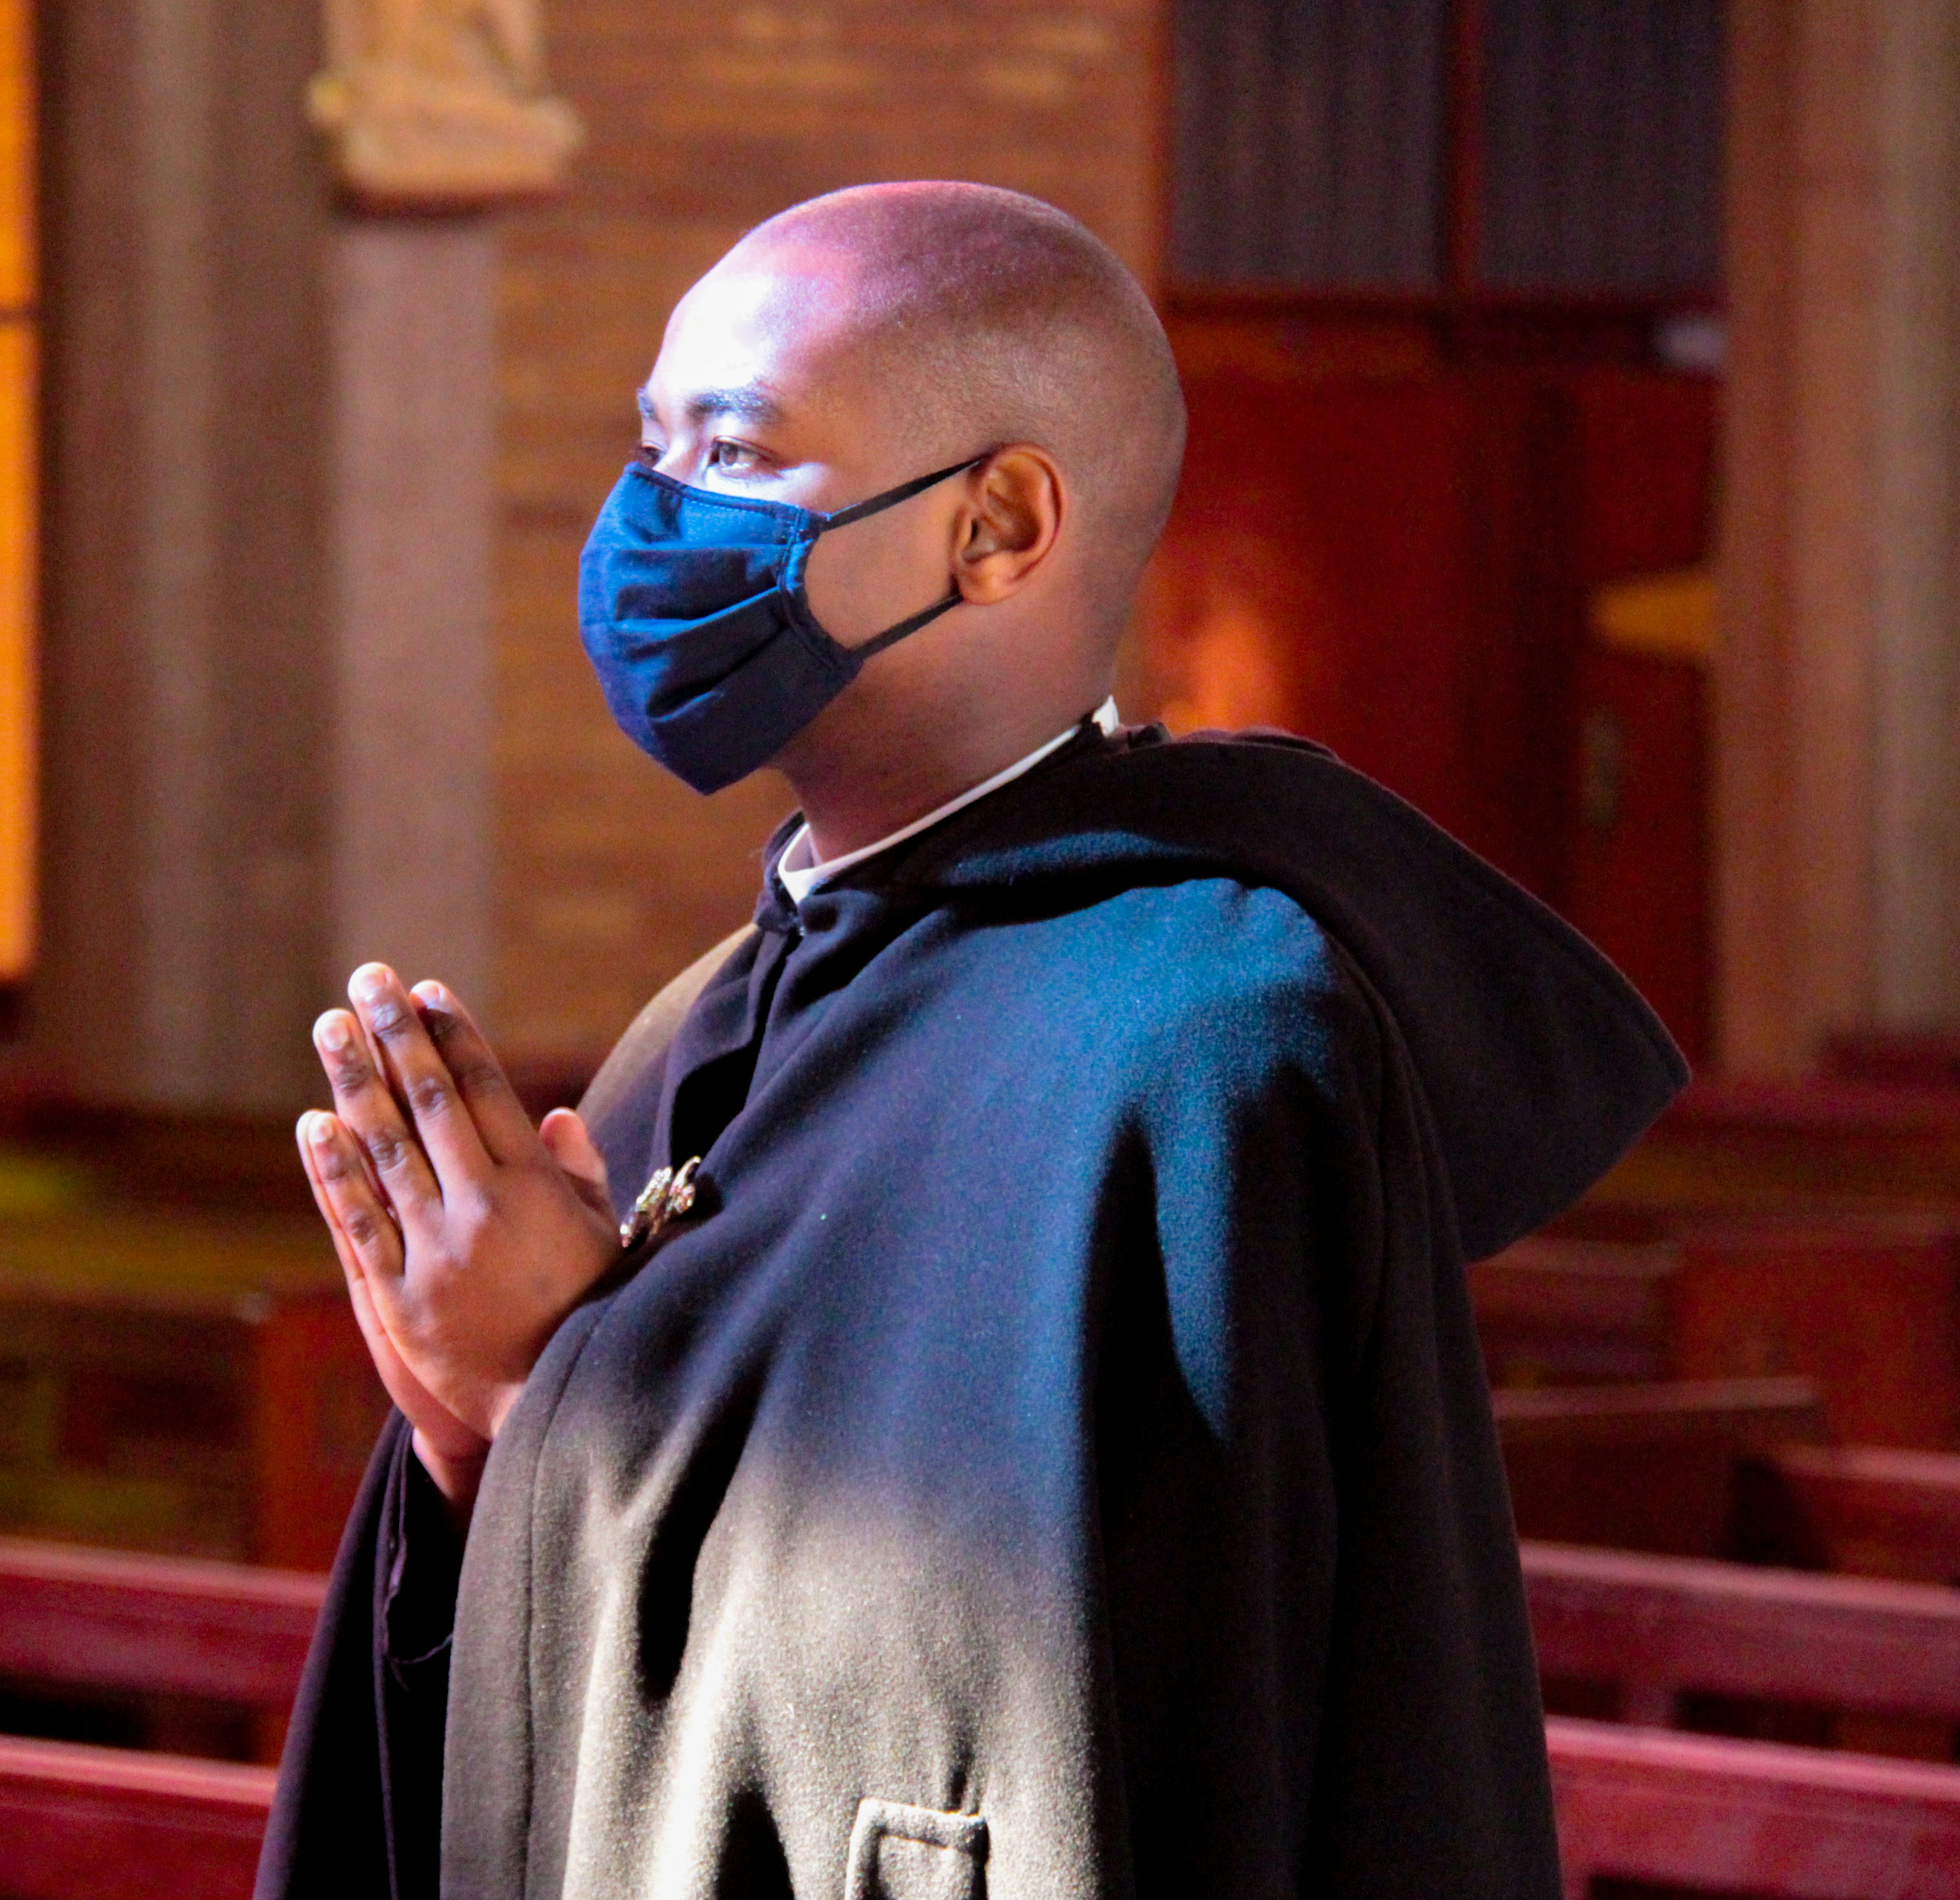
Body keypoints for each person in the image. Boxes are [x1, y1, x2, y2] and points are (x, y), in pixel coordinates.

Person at [261, 181, 1683, 1900]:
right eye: (650, 443)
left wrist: (547, 1393)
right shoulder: (687, 1030)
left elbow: (1054, 1724)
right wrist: (471, 1451)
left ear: (998, 525)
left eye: (735, 450)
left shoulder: (1209, 1044)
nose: (651, 520)